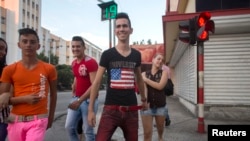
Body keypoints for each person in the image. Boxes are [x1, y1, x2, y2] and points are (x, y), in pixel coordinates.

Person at [88, 12, 148, 141]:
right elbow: (97, 83)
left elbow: (139, 79)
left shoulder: (136, 55)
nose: (122, 29)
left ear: (131, 30)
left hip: (131, 110)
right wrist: (91, 110)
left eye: (125, 26)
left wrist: (144, 100)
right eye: (119, 26)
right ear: (115, 30)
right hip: (110, 110)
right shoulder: (107, 54)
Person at [0, 28, 57, 141]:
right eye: (24, 41)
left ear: (38, 46)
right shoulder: (9, 70)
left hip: (39, 119)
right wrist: (25, 99)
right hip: (15, 120)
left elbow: (53, 95)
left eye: (32, 42)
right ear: (19, 44)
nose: (28, 45)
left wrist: (50, 118)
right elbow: (3, 100)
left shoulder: (49, 68)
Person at [65, 36, 98, 141]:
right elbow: (77, 76)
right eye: (73, 47)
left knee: (88, 131)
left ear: (84, 48)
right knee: (69, 127)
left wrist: (80, 100)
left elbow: (94, 85)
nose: (75, 49)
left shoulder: (90, 62)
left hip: (89, 101)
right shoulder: (74, 63)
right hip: (77, 98)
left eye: (78, 46)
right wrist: (74, 87)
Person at [141, 53, 168, 141]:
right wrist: (144, 101)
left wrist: (146, 80)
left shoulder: (164, 73)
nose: (160, 61)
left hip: (160, 106)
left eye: (162, 60)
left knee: (160, 129)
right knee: (147, 133)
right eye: (158, 59)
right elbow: (144, 89)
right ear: (153, 59)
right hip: (147, 107)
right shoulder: (144, 74)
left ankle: (160, 137)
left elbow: (160, 86)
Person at [0, 38, 9, 141]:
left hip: (2, 118)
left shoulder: (7, 70)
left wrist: (7, 94)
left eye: (4, 49)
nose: (2, 52)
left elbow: (10, 92)